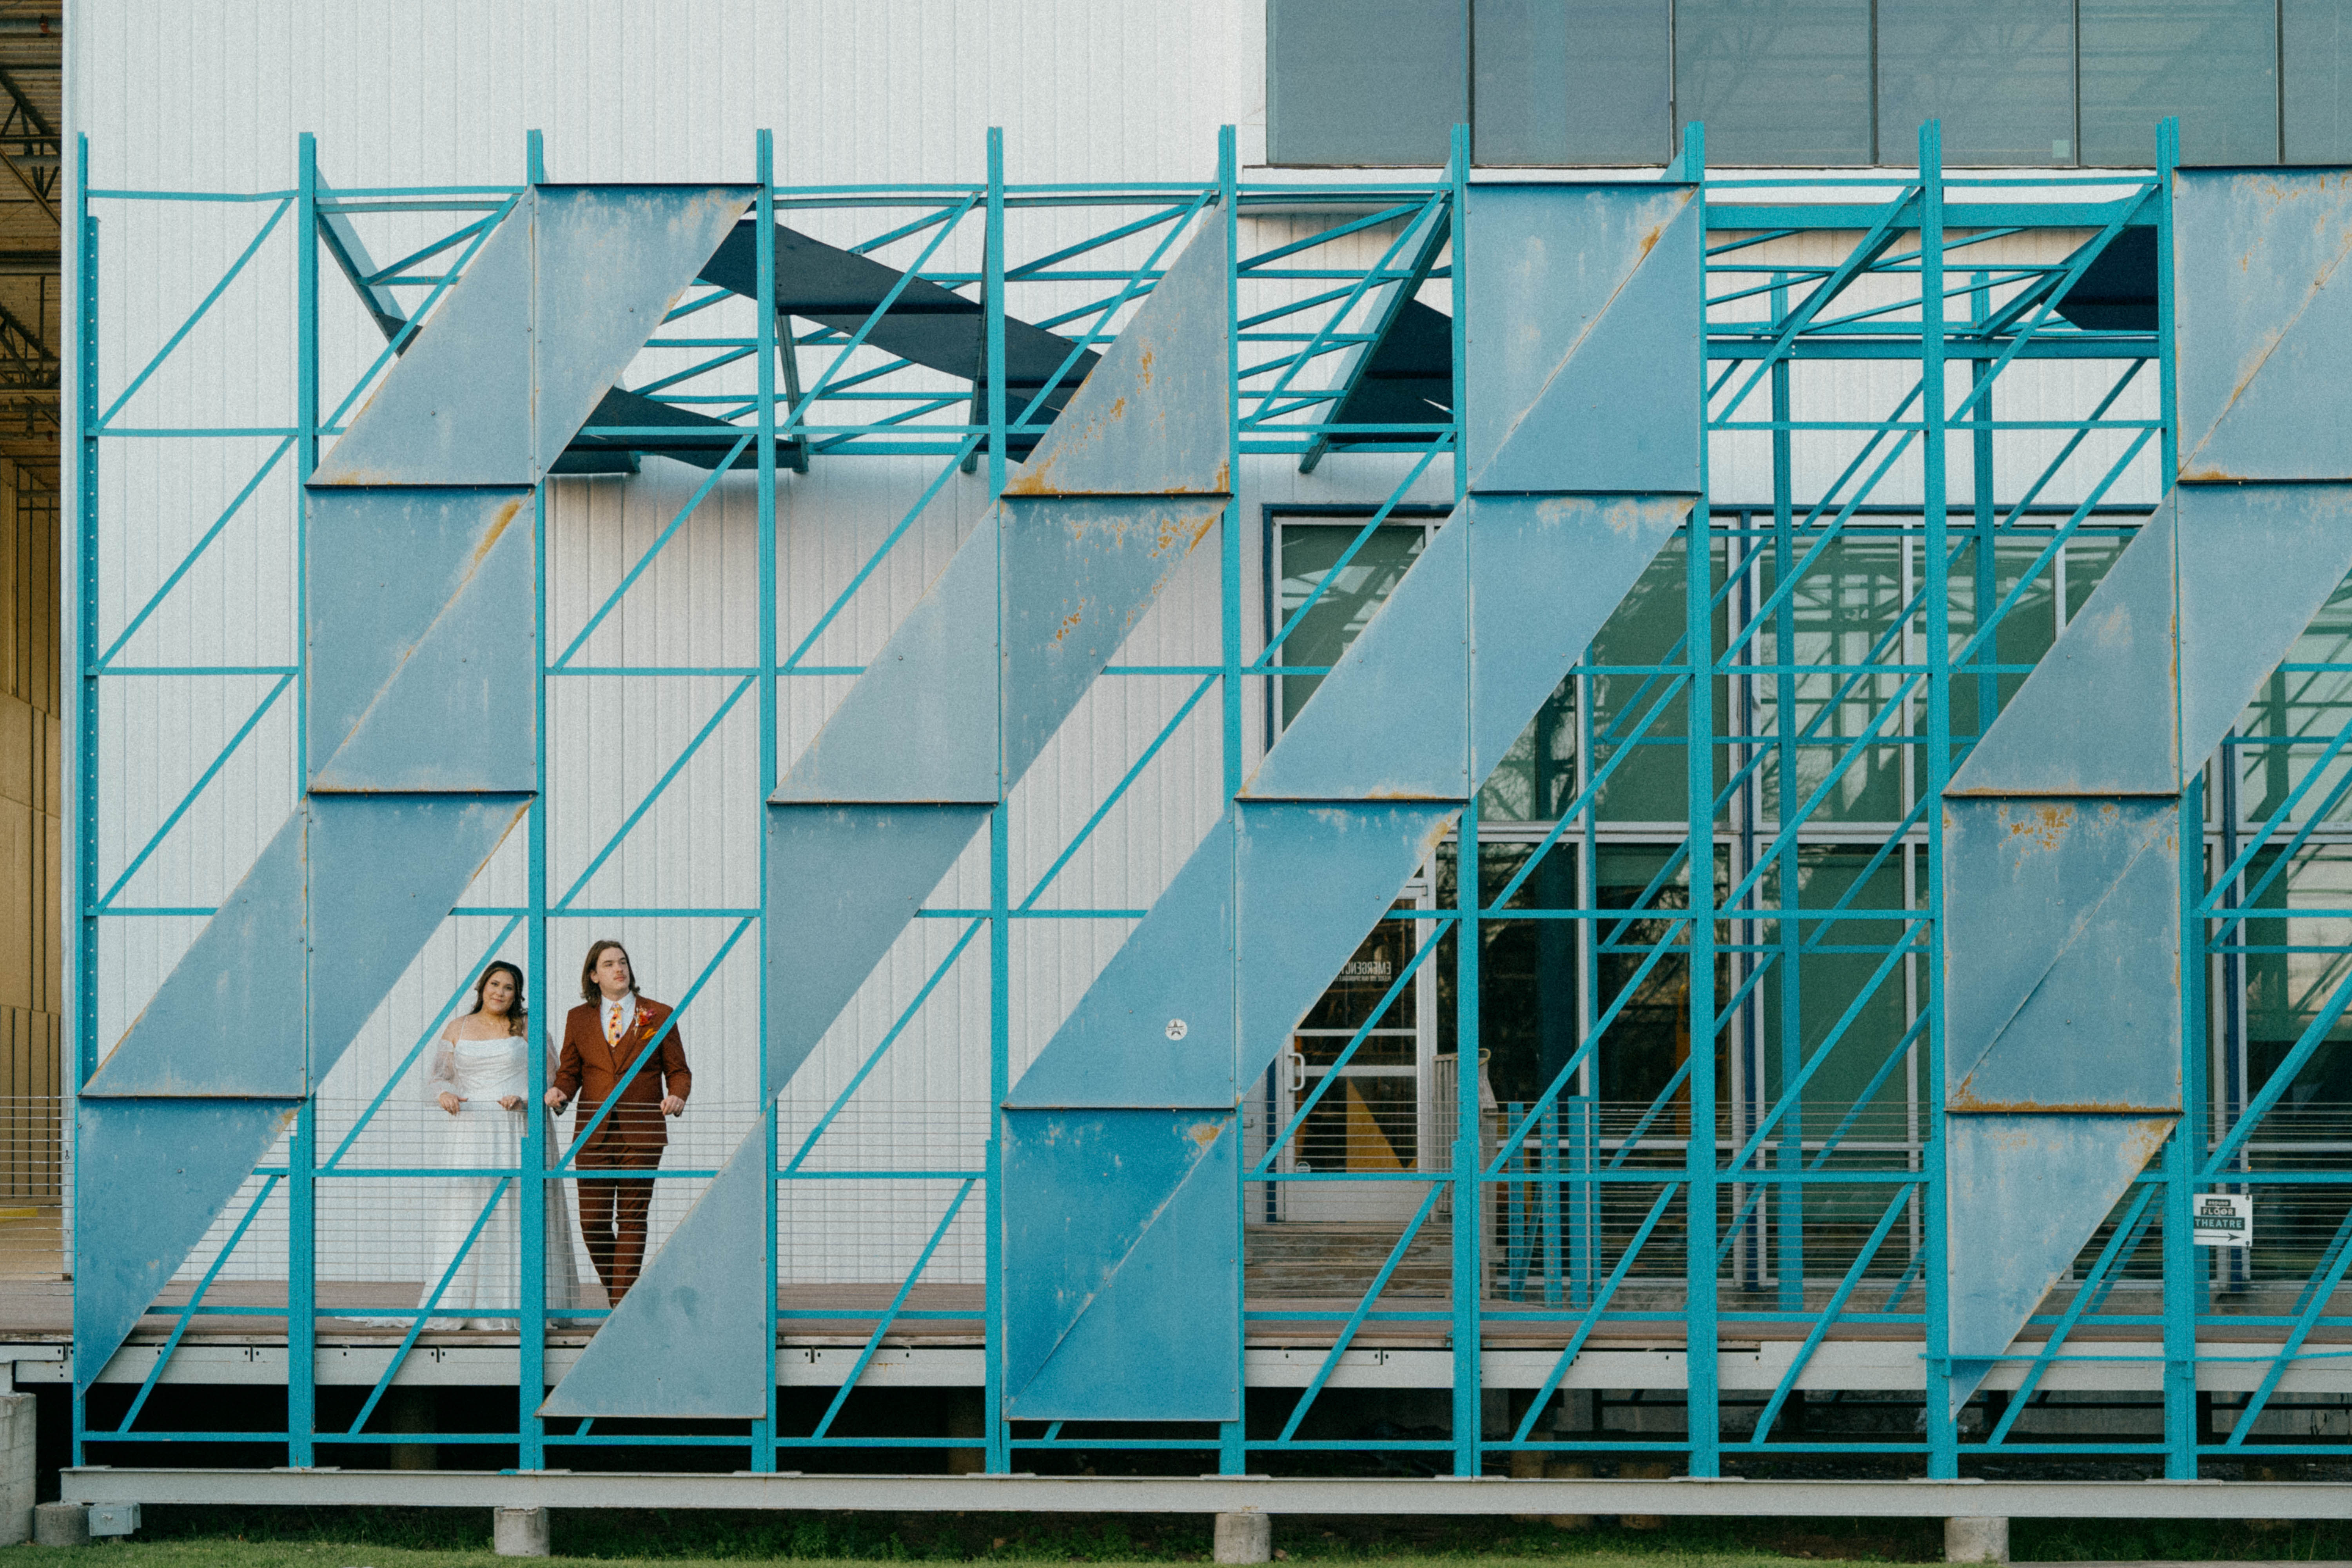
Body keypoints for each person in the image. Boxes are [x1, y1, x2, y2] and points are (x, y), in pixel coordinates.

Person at [413, 962, 584, 1330]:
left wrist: (524, 1098)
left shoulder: (530, 1029)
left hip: (517, 1128)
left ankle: (523, 1304)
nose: (500, 993)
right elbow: (435, 1079)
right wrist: (444, 1093)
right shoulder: (457, 1028)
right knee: (470, 1210)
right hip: (472, 1133)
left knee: (522, 1209)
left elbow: (555, 1086)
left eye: (509, 988)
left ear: (517, 994)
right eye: (495, 984)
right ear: (482, 987)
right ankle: (464, 1303)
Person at [544, 940, 690, 1305]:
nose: (618, 969)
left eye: (622, 962)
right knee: (592, 1223)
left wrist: (677, 1095)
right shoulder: (577, 1018)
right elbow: (570, 1072)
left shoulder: (659, 1013)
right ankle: (626, 1296)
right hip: (593, 1133)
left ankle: (620, 1306)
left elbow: (679, 1071)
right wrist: (560, 1093)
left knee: (632, 1219)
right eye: (608, 964)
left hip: (642, 1132)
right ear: (594, 976)